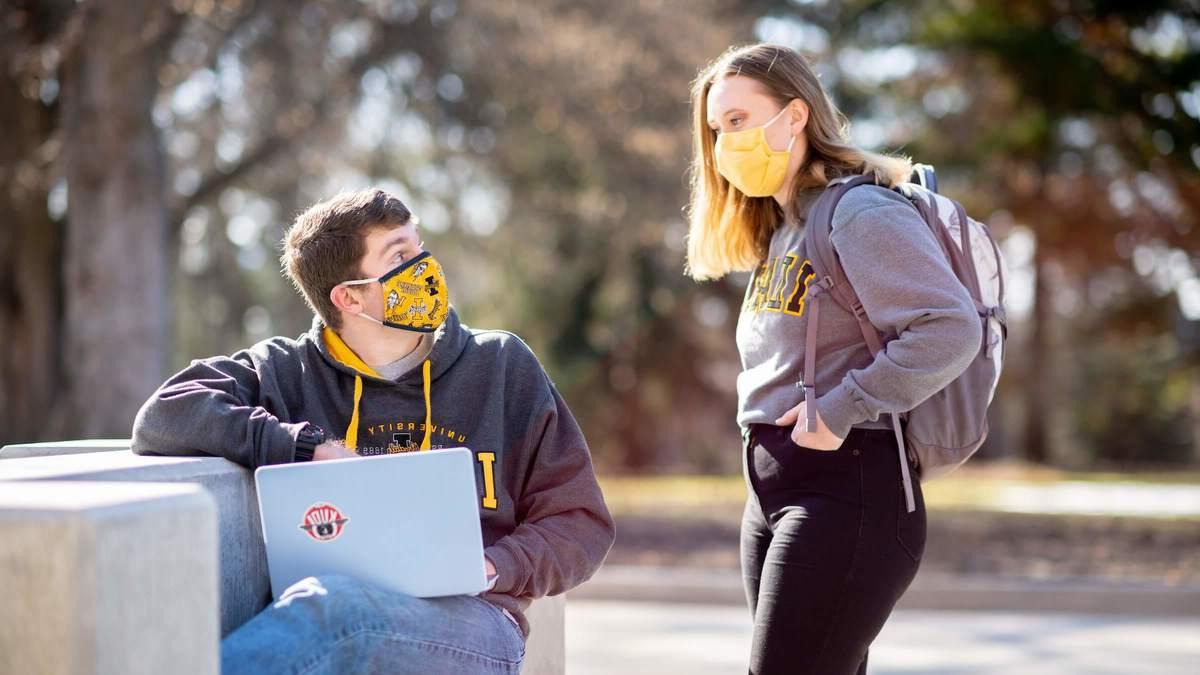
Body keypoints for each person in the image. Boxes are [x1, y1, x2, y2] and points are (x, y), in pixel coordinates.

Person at [131, 188, 615, 675]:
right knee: (333, 608)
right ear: (349, 296)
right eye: (400, 256)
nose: (424, 266)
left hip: (477, 623)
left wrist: (493, 567)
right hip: (332, 614)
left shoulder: (502, 365)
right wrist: (306, 449)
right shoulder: (283, 371)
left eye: (418, 247)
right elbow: (164, 414)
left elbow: (580, 521)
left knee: (335, 609)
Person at [686, 44, 982, 675]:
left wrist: (845, 406)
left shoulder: (858, 210)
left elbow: (950, 327)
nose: (723, 142)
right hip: (772, 496)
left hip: (848, 492)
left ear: (795, 116)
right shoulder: (786, 226)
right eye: (716, 128)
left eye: (738, 120)